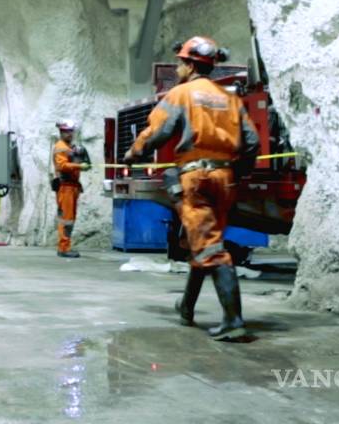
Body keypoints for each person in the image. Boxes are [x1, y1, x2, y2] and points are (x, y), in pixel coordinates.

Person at [124, 36, 260, 341]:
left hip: (195, 179)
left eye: (179, 63)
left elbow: (157, 131)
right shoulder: (230, 98)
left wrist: (133, 153)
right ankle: (186, 307)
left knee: (210, 248)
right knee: (202, 242)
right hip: (224, 180)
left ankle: (234, 320)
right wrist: (235, 172)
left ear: (189, 64)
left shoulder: (181, 93)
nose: (177, 68)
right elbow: (252, 143)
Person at [52, 119, 91, 258]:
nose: (69, 134)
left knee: (70, 218)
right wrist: (79, 166)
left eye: (71, 131)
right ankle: (63, 248)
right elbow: (61, 166)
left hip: (72, 186)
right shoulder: (60, 147)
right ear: (61, 132)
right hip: (65, 187)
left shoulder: (70, 147)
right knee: (66, 219)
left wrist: (83, 163)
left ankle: (65, 246)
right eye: (66, 132)